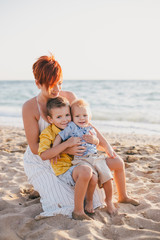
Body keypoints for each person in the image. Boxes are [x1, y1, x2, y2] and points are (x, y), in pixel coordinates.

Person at [22, 54, 139, 219]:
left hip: (77, 154)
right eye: (50, 85)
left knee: (99, 184)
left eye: (59, 83)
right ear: (37, 83)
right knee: (65, 204)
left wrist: (105, 145)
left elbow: (86, 124)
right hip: (47, 159)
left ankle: (123, 196)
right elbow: (35, 148)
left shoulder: (69, 97)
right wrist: (66, 148)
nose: (56, 89)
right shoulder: (29, 107)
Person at [44, 98, 117, 215]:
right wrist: (55, 150)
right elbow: (60, 136)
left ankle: (109, 201)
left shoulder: (90, 127)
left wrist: (95, 140)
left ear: (90, 116)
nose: (82, 118)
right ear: (72, 118)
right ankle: (89, 201)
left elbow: (97, 142)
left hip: (95, 157)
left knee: (108, 177)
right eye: (77, 116)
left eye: (85, 115)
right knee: (93, 179)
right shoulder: (71, 127)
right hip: (82, 159)